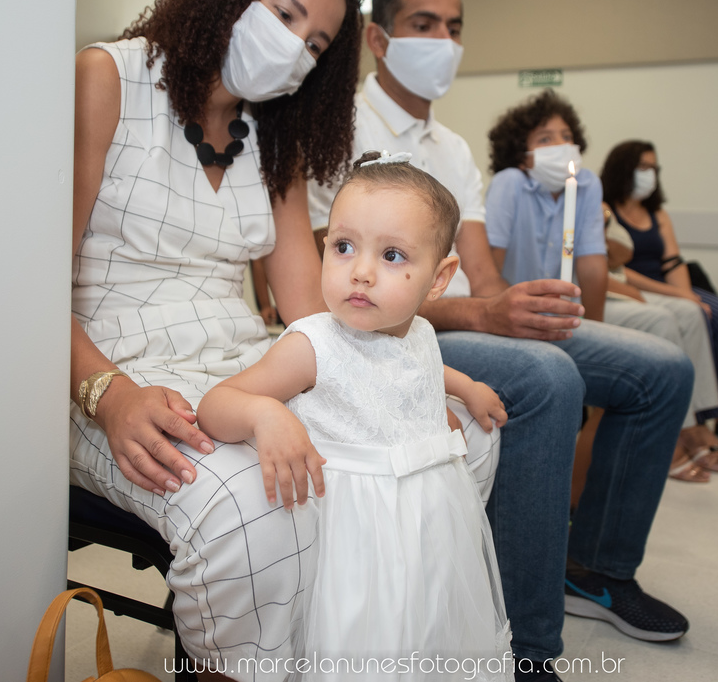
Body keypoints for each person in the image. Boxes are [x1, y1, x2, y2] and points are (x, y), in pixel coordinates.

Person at [306, 0, 694, 680]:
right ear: (378, 38)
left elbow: (482, 277)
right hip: (388, 331)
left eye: (455, 28)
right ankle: (528, 647)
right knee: (548, 378)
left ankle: (598, 569)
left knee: (662, 368)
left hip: (458, 313)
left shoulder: (452, 151)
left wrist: (519, 307)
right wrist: (485, 312)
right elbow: (335, 289)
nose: (445, 42)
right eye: (425, 25)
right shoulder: (332, 130)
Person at [68, 0, 366, 679]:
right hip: (100, 371)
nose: (295, 46)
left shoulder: (274, 138)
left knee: (381, 456)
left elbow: (306, 313)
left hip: (235, 362)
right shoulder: (107, 76)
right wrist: (108, 395)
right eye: (287, 13)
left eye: (316, 45)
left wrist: (406, 373)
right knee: (255, 505)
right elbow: (24, 289)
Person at [200, 152, 513, 680]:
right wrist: (262, 415)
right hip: (353, 539)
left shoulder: (420, 332)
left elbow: (418, 366)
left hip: (427, 527)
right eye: (344, 247)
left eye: (392, 255)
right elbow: (215, 405)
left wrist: (466, 385)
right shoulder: (312, 343)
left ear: (439, 279)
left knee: (426, 633)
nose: (361, 272)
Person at [483, 91, 718, 483]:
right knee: (660, 328)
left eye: (566, 135)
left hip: (571, 307)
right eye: (545, 138)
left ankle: (681, 431)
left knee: (672, 322)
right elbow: (488, 269)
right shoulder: (510, 183)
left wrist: (589, 332)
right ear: (521, 152)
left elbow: (594, 268)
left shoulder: (585, 184)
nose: (560, 145)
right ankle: (665, 449)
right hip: (519, 313)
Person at [601, 140, 718, 449]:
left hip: (667, 283)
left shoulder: (656, 212)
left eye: (654, 168)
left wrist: (687, 295)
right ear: (624, 169)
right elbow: (616, 268)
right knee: (688, 312)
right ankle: (692, 422)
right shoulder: (605, 209)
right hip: (637, 284)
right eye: (643, 167)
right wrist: (678, 297)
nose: (650, 174)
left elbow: (673, 261)